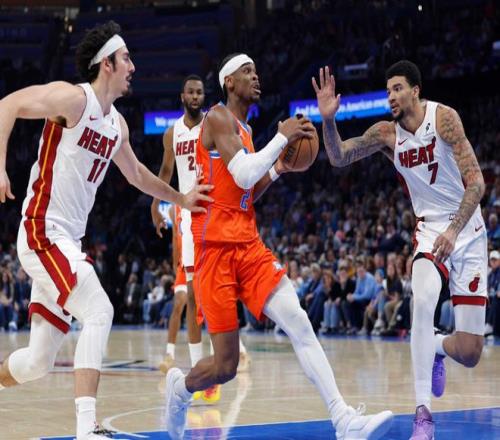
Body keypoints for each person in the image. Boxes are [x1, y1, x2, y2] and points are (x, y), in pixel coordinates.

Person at [164, 52, 393, 440]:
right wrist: (282, 137)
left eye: (256, 69)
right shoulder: (217, 117)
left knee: (299, 322)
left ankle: (343, 420)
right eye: (247, 71)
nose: (256, 76)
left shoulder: (246, 132)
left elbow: (246, 191)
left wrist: (279, 167)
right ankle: (181, 388)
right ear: (229, 82)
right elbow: (243, 172)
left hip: (248, 246)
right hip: (214, 252)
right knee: (225, 366)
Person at [0, 21, 211, 440]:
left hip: (65, 241)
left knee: (38, 362)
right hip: (42, 230)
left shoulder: (117, 125)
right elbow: (7, 104)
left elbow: (137, 175)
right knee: (100, 309)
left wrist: (180, 198)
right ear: (107, 64)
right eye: (126, 58)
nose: (133, 66)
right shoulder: (72, 98)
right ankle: (87, 429)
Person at [313, 60, 487, 439]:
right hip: (429, 230)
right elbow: (339, 156)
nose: (391, 96)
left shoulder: (444, 119)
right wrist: (328, 120)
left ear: (415, 91)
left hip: (467, 229)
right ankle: (423, 416)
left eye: (397, 88)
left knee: (471, 352)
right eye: (388, 90)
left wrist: (454, 231)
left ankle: (436, 346)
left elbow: (476, 183)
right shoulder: (387, 134)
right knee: (421, 302)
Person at [150, 76, 250, 403]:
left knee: (215, 290)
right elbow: (166, 172)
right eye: (190, 92)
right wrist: (155, 204)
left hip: (215, 209)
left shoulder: (214, 123)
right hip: (187, 214)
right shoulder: (172, 134)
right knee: (192, 294)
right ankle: (198, 373)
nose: (195, 96)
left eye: (199, 93)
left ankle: (228, 354)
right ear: (182, 96)